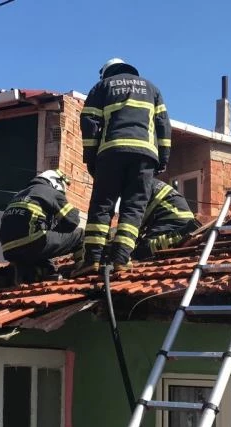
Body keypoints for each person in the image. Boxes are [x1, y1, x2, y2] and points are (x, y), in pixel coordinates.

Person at [72, 57, 172, 276]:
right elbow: (163, 125)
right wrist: (163, 158)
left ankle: (92, 260)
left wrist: (91, 157)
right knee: (134, 207)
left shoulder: (102, 87)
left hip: (111, 153)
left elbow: (89, 122)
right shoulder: (152, 89)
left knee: (102, 205)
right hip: (145, 156)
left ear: (107, 73)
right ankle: (121, 258)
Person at [0, 170, 83, 282]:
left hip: (9, 250)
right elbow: (73, 220)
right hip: (33, 243)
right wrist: (59, 230)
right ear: (56, 183)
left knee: (48, 267)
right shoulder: (50, 191)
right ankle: (83, 268)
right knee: (81, 235)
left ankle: (26, 272)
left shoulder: (19, 194)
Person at [131, 179, 201, 260]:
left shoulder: (135, 187)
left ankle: (183, 234)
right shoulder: (145, 180)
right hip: (178, 217)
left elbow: (133, 222)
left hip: (173, 221)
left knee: (141, 252)